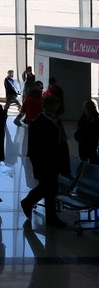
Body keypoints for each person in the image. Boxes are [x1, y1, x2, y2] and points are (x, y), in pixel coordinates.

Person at [21, 96, 71, 228]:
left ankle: (50, 216)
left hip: (54, 160)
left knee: (50, 188)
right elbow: (34, 146)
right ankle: (29, 202)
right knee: (48, 186)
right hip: (45, 161)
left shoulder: (53, 120)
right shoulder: (39, 122)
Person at [74, 100, 99, 164]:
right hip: (85, 143)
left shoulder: (94, 120)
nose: (86, 109)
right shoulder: (83, 119)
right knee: (85, 158)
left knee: (90, 158)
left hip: (90, 143)